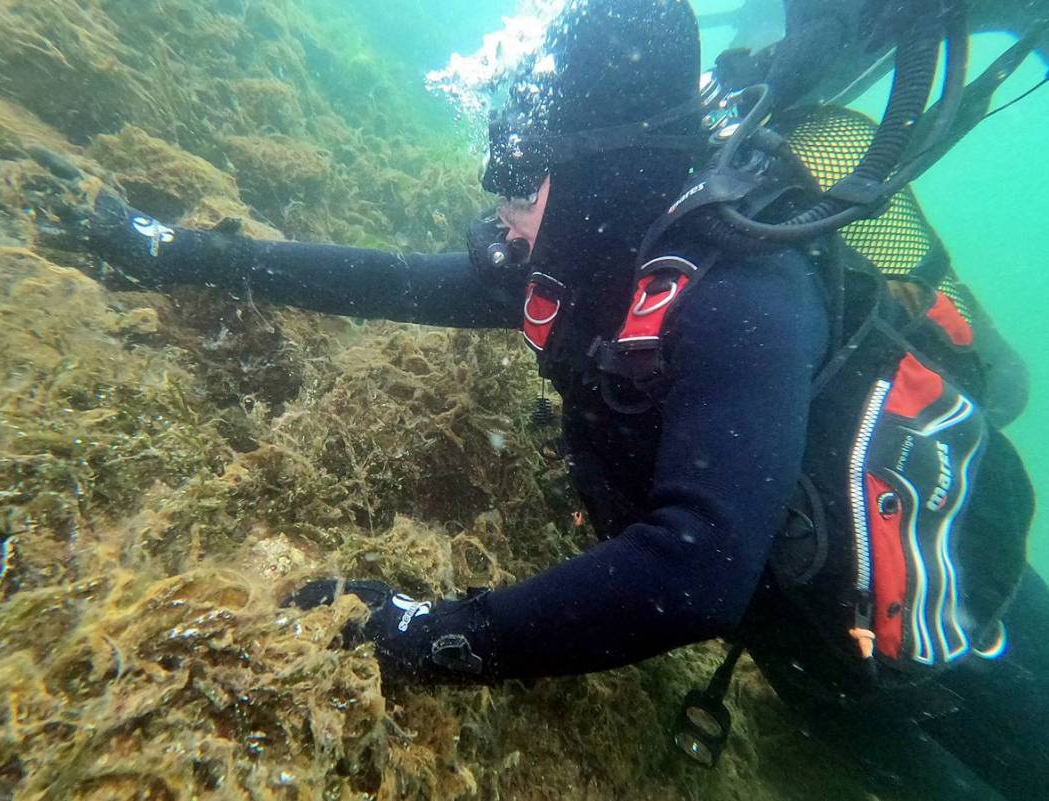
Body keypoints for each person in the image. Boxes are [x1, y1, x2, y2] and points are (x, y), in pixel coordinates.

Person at [53, 1, 1046, 799]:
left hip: (968, 648)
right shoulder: (584, 258)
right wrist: (168, 251)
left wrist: (427, 632)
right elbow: (385, 279)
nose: (498, 195)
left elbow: (698, 569)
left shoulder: (747, 294)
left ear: (608, 173)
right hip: (816, 648)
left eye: (522, 168)